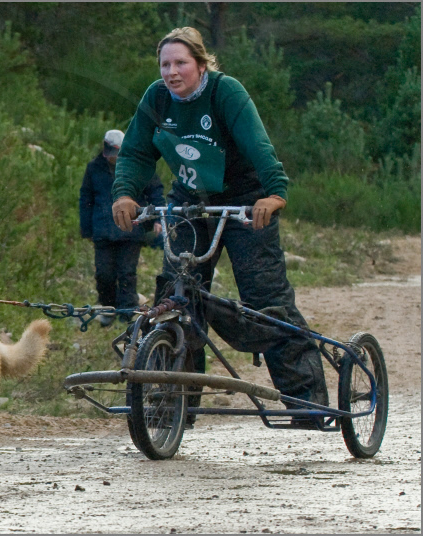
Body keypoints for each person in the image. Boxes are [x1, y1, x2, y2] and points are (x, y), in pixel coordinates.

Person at [111, 27, 329, 427]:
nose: (172, 72)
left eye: (181, 63)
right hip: (190, 199)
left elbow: (258, 145)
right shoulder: (156, 98)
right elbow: (136, 152)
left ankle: (307, 401)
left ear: (200, 63)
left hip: (246, 197)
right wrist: (124, 193)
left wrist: (275, 192)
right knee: (177, 298)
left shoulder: (225, 92)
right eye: (165, 64)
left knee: (265, 296)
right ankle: (175, 404)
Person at [80, 129, 164, 327]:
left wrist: (158, 218)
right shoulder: (94, 168)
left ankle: (127, 313)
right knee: (104, 273)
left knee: (127, 272)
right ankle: (108, 309)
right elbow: (86, 198)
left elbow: (155, 192)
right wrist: (87, 229)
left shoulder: (139, 166)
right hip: (102, 229)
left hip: (131, 229)